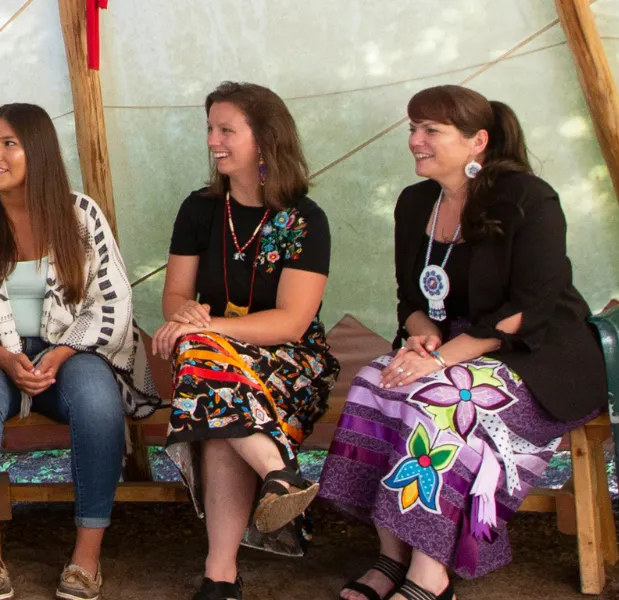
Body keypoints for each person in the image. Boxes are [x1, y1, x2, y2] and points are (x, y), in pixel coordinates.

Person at [320, 85, 607, 600]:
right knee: (373, 381)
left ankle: (431, 573)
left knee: (445, 397)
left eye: (431, 130)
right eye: (412, 128)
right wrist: (421, 336)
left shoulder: (527, 198)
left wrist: (440, 360)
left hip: (539, 357)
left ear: (477, 141)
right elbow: (411, 294)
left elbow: (530, 307)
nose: (415, 140)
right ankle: (391, 555)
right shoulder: (414, 203)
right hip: (452, 347)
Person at [0, 103, 156, 600]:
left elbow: (110, 299)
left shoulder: (79, 214)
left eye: (8, 144)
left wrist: (62, 353)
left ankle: (87, 557)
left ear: (37, 151)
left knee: (96, 397)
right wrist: (3, 356)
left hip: (68, 350)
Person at [151, 81, 339, 600]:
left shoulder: (304, 219)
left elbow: (291, 324)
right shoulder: (200, 210)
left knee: (207, 375)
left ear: (265, 138)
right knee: (212, 382)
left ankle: (221, 576)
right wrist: (186, 316)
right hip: (216, 363)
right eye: (210, 128)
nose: (214, 139)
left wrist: (203, 327)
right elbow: (175, 298)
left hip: (290, 362)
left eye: (226, 129)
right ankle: (279, 473)